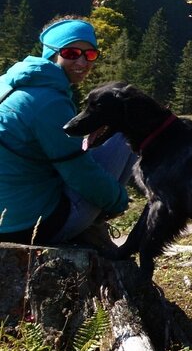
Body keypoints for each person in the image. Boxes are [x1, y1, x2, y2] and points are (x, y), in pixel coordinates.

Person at [0, 17, 134, 248]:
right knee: (125, 128)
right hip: (29, 226)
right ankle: (95, 224)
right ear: (51, 53)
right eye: (71, 53)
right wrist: (119, 202)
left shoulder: (9, 83)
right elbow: (79, 173)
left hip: (10, 217)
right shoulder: (49, 101)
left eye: (89, 54)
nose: (82, 61)